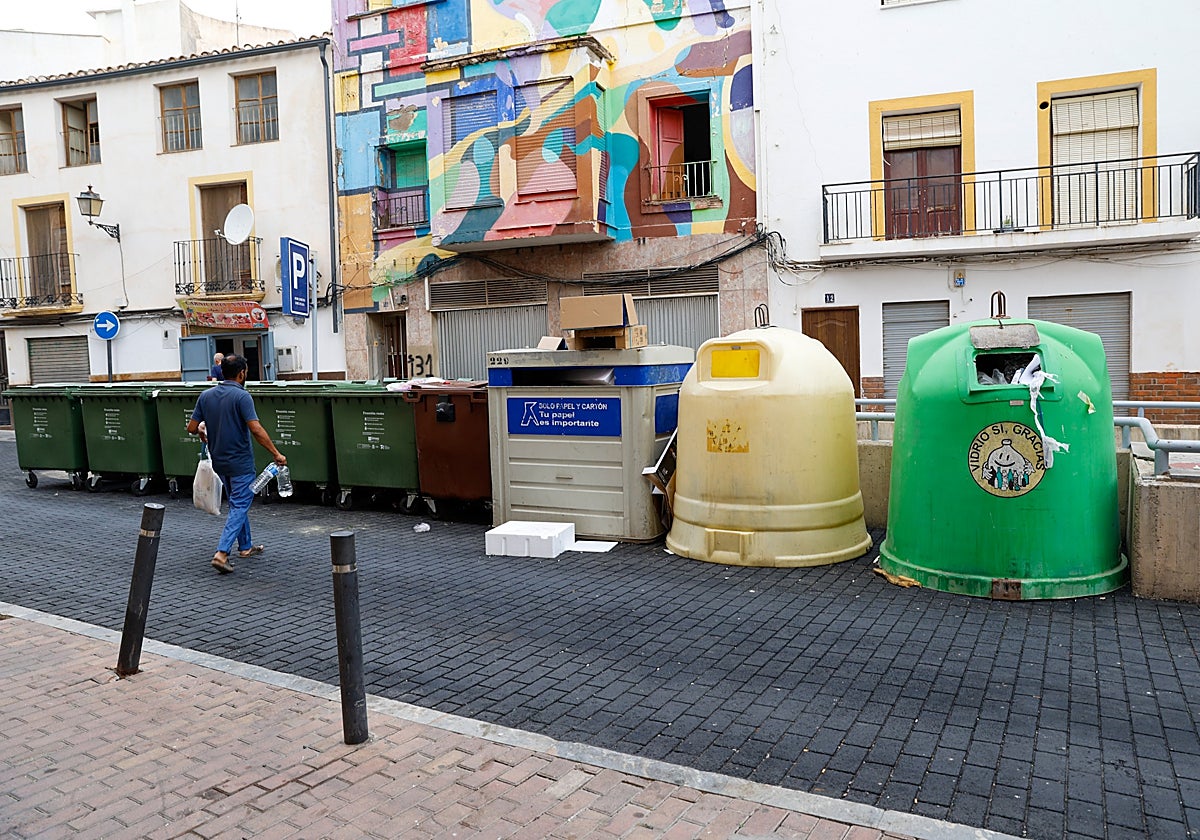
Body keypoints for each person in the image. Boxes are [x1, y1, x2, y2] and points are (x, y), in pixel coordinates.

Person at [187, 354, 286, 574]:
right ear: (242, 373)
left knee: (236, 504)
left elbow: (192, 428)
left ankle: (245, 546)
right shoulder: (242, 397)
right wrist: (276, 453)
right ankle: (222, 553)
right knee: (241, 505)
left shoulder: (206, 395)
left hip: (219, 461)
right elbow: (256, 429)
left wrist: (203, 429)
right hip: (240, 462)